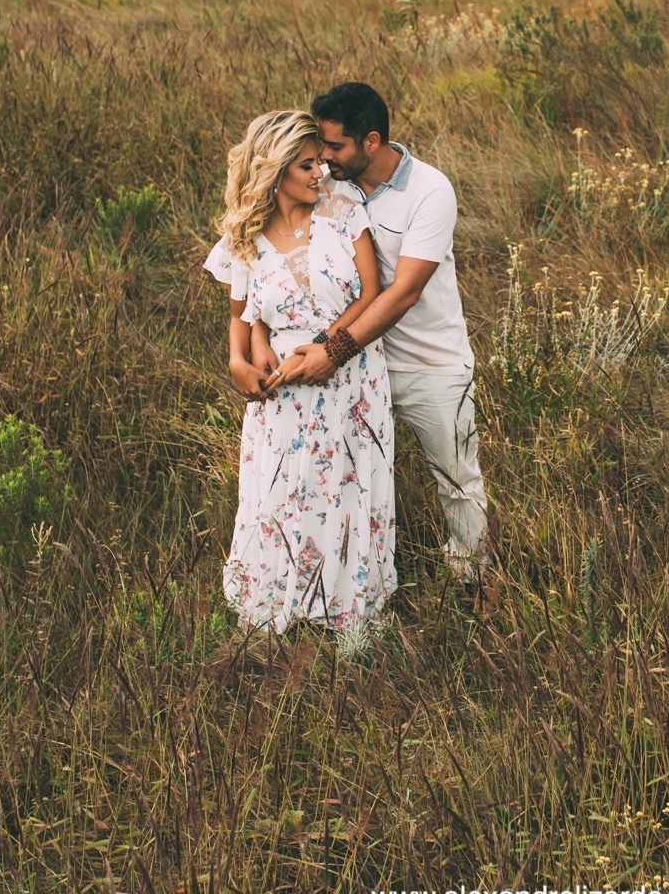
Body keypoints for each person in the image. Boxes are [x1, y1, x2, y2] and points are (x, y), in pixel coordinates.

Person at [272, 82, 490, 605]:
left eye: (335, 147)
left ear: (371, 141)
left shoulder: (430, 192)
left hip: (430, 366)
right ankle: (348, 589)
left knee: (456, 481)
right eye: (320, 148)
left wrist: (333, 348)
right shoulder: (327, 185)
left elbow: (403, 293)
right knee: (347, 478)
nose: (323, 159)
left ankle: (475, 589)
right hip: (357, 367)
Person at [202, 110, 396, 632]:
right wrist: (240, 362)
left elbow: (372, 294)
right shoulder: (243, 238)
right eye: (307, 165)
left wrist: (327, 349)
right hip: (282, 394)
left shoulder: (343, 209)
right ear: (276, 170)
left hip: (350, 377)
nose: (321, 173)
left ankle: (346, 609)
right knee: (285, 493)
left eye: (320, 162)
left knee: (349, 490)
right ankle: (282, 606)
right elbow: (238, 318)